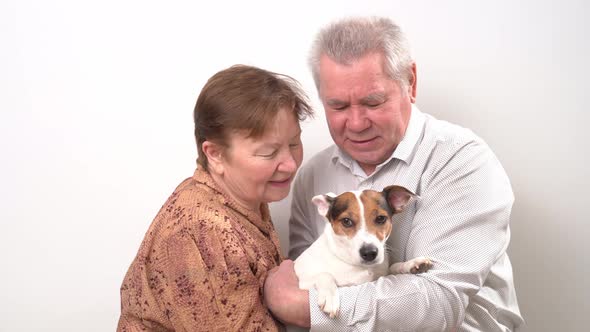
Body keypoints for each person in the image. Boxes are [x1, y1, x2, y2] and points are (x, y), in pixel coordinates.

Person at [263, 16, 524, 331]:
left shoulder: (462, 161)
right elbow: (310, 277)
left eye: (373, 102)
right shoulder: (313, 176)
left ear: (410, 82)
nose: (357, 123)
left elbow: (437, 304)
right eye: (339, 107)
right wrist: (307, 301)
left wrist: (300, 308)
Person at [117, 65, 313, 331]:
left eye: (294, 144)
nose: (290, 164)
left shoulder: (241, 196)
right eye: (268, 153)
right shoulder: (202, 230)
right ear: (215, 154)